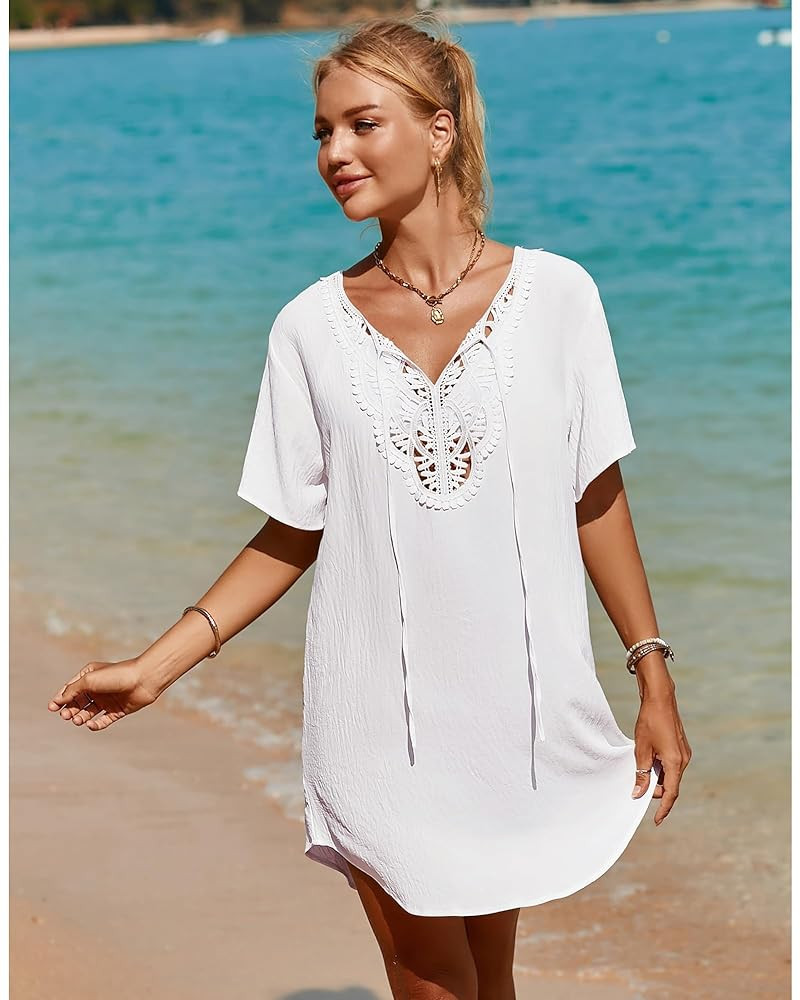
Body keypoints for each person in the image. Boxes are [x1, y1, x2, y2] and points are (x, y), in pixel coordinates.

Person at [48, 12, 692, 999]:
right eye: (321, 132)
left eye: (360, 124)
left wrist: (652, 676)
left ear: (439, 131)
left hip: (507, 712)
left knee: (488, 981)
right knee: (433, 985)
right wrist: (154, 668)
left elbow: (595, 494)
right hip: (375, 720)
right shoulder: (309, 329)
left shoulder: (561, 297)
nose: (333, 154)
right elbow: (291, 529)